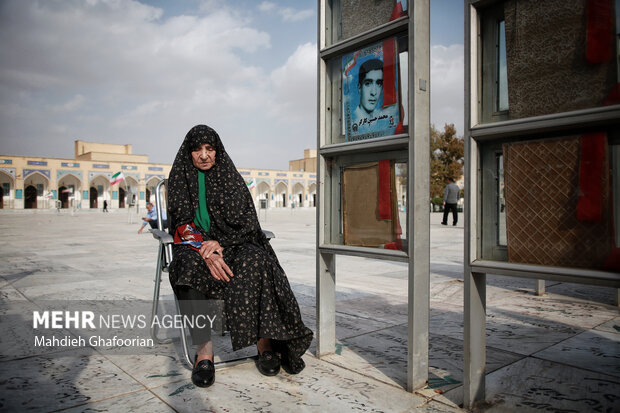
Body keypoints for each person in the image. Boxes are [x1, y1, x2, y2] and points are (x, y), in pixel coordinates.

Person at [167, 125, 313, 388]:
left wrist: (219, 243)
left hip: (231, 242)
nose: (203, 155)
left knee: (256, 259)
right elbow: (180, 222)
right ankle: (204, 351)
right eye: (197, 149)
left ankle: (264, 343)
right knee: (186, 268)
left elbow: (247, 223)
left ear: (217, 150)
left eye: (209, 149)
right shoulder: (180, 178)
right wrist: (205, 248)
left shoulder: (229, 177)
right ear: (188, 152)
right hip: (194, 247)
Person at [352, 58, 397, 135]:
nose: (374, 92)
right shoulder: (353, 121)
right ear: (359, 87)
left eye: (378, 84)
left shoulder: (385, 117)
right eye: (368, 83)